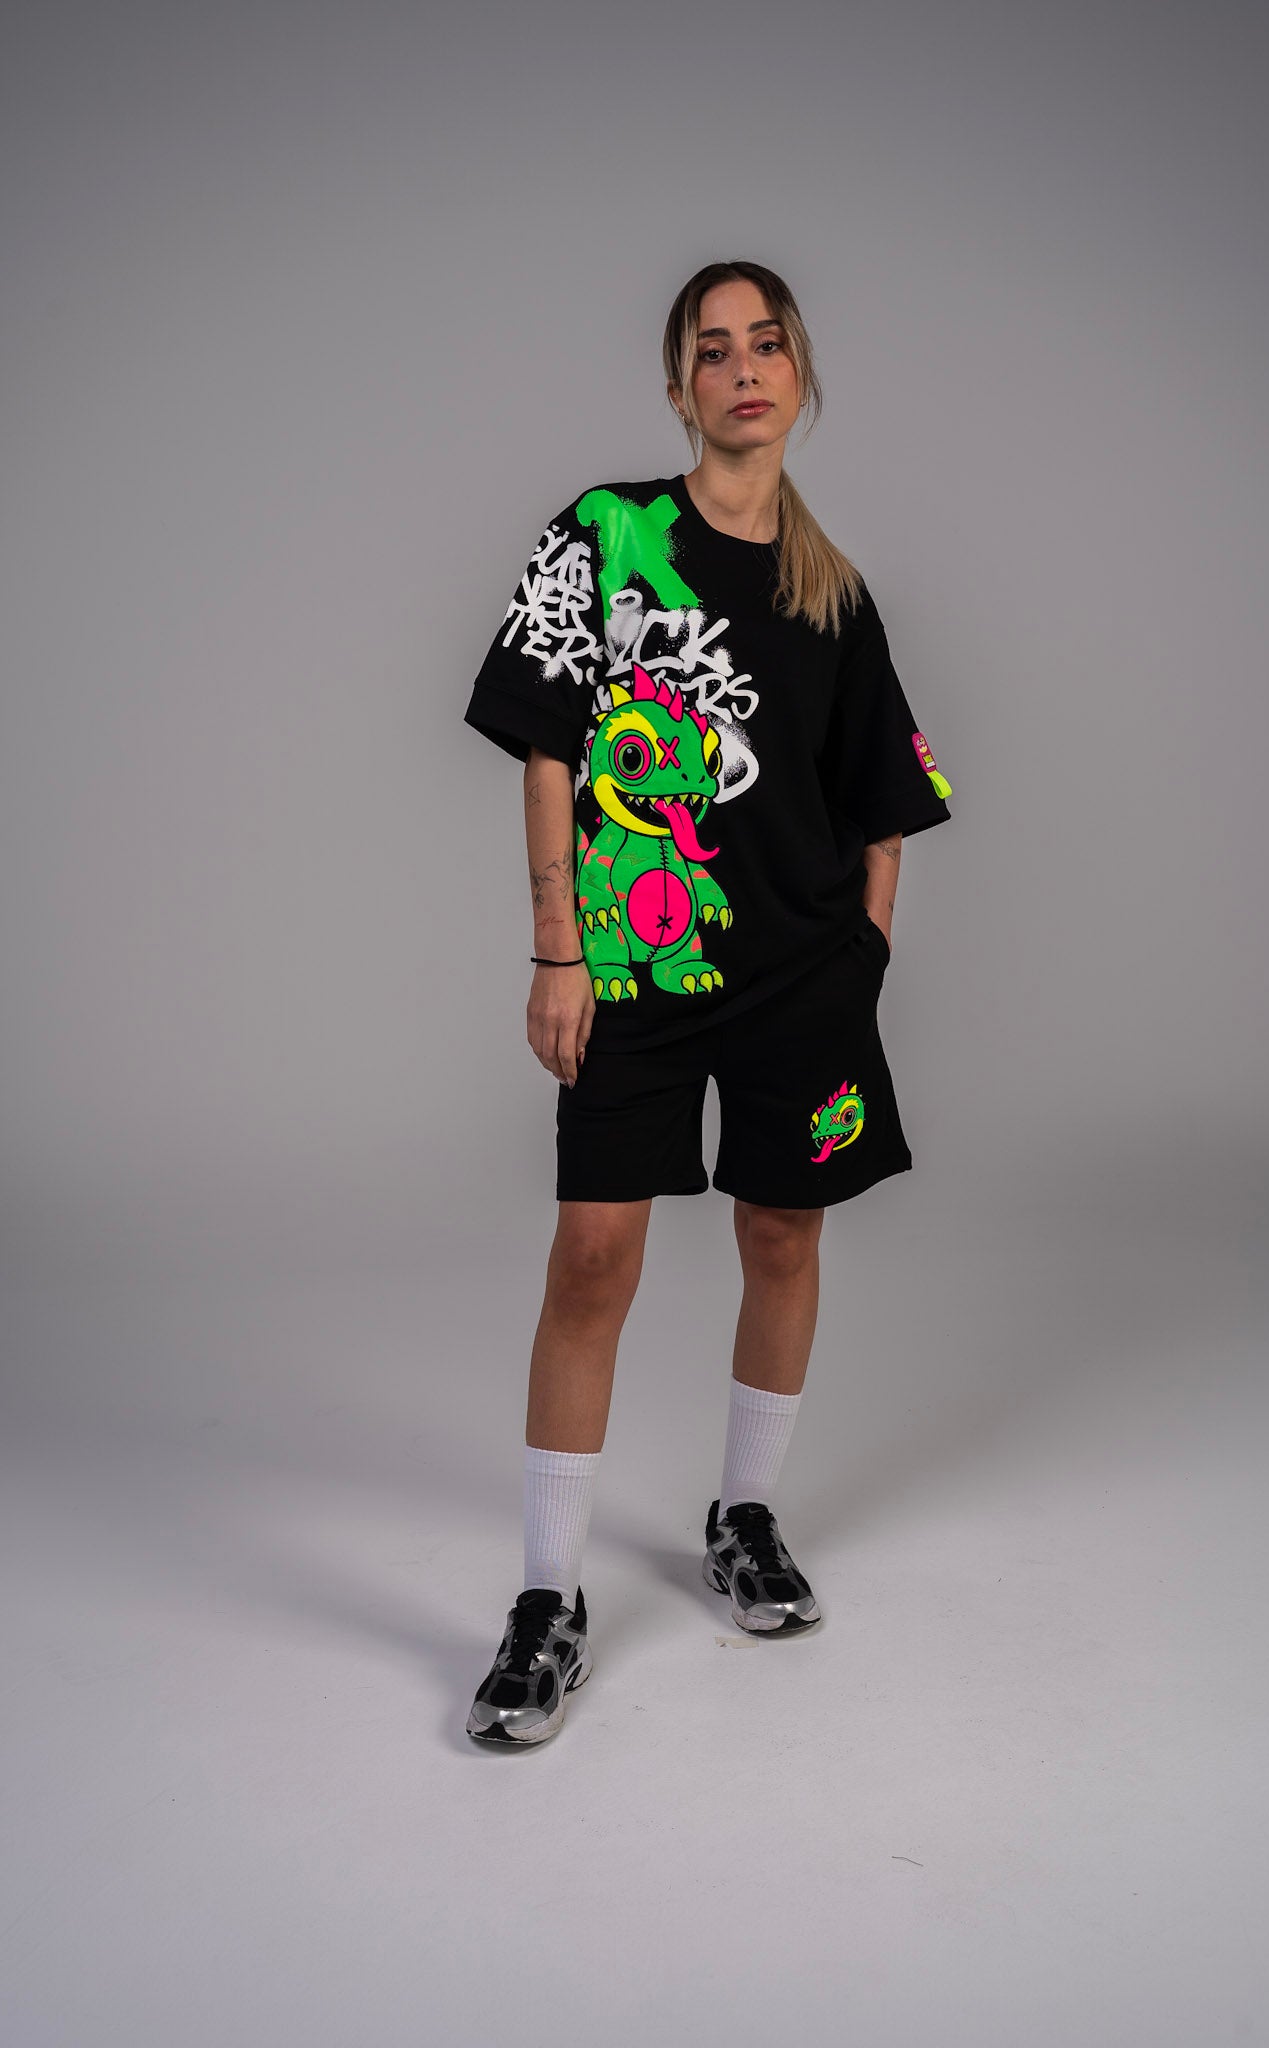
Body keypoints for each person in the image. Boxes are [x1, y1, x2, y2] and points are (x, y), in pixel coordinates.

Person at [461, 259, 953, 1745]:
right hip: (636, 967)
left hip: (801, 977)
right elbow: (549, 746)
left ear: (800, 376)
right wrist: (558, 951)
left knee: (782, 1234)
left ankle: (743, 1518)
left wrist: (863, 955)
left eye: (768, 345)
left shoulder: (834, 593)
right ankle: (546, 1602)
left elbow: (885, 799)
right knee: (593, 1257)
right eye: (715, 349)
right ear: (679, 386)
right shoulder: (606, 534)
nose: (744, 370)